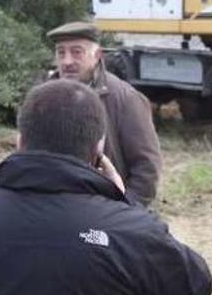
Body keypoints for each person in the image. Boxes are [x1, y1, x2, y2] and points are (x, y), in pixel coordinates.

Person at [0, 80, 212, 295]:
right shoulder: (126, 228)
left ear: (20, 141)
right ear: (98, 148)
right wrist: (125, 205)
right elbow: (190, 292)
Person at [46, 21, 162, 205]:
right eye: (61, 52)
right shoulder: (43, 99)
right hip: (53, 209)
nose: (67, 61)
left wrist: (125, 211)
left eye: (77, 52)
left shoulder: (125, 98)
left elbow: (146, 168)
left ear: (97, 55)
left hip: (104, 212)